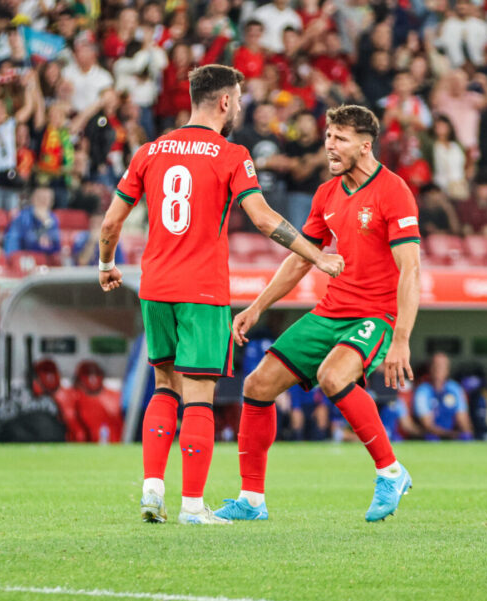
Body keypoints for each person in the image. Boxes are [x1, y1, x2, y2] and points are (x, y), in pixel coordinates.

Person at [98, 64, 342, 525]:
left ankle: (153, 489)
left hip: (155, 288)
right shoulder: (231, 154)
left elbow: (111, 222)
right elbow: (265, 219)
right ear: (226, 101)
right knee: (199, 397)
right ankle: (192, 505)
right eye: (240, 100)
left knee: (164, 385)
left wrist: (106, 265)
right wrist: (319, 256)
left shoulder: (148, 150)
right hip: (203, 291)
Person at [217, 104, 421, 523]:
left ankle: (391, 471)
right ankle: (252, 500)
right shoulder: (326, 193)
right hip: (329, 311)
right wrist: (257, 307)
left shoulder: (394, 190)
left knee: (333, 376)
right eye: (328, 137)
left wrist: (401, 339)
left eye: (340, 139)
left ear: (365, 146)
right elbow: (300, 260)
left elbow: (411, 269)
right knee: (257, 385)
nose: (329, 146)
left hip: (375, 315)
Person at [412, 352, 473, 441]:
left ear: (448, 370)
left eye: (442, 366)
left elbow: (462, 418)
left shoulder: (455, 388)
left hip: (451, 435)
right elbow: (427, 425)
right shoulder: (423, 390)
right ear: (430, 368)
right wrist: (450, 435)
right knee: (431, 438)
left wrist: (467, 433)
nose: (438, 369)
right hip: (431, 436)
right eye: (436, 365)